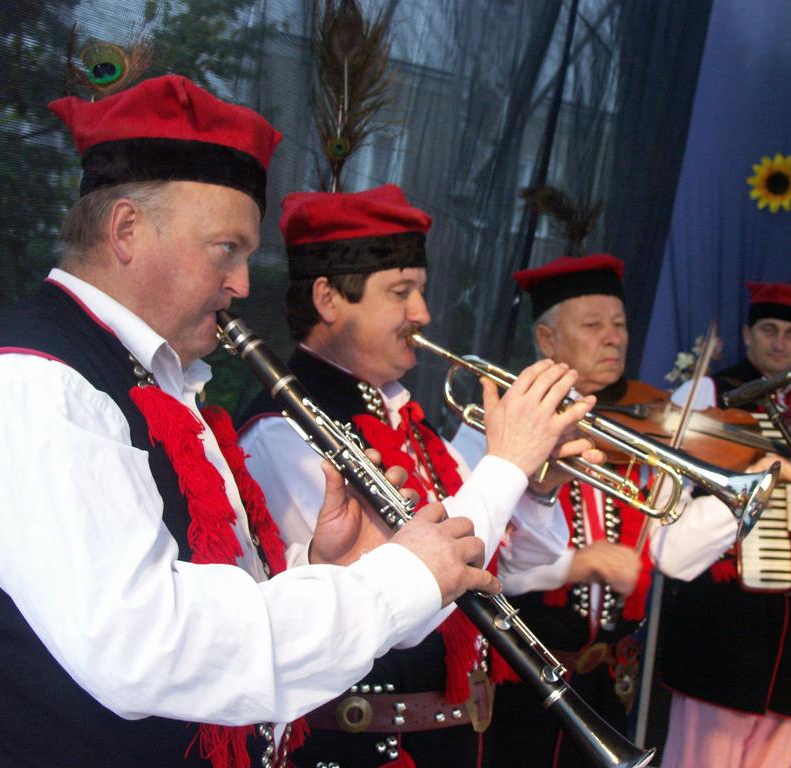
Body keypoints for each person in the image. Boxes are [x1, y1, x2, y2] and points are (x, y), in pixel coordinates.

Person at [0, 75, 503, 768]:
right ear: (127, 230)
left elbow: (198, 593)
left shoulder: (153, 380)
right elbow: (143, 645)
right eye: (226, 248)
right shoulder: (27, 387)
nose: (242, 284)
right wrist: (395, 583)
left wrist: (324, 569)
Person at [237, 185, 600, 767]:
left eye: (421, 292)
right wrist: (508, 463)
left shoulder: (410, 421)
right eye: (401, 292)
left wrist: (537, 485)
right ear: (328, 299)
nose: (423, 314)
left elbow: (520, 570)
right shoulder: (281, 435)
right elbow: (411, 603)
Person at [452, 253, 761, 768]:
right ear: (546, 339)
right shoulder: (499, 418)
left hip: (606, 682)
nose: (614, 338)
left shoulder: (639, 425)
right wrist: (576, 564)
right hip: (519, 677)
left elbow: (672, 552)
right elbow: (470, 547)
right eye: (593, 326)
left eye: (619, 324)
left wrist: (750, 490)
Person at [659, 280, 791, 768]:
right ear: (747, 334)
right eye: (768, 329)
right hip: (720, 616)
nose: (779, 343)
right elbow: (671, 503)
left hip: (790, 631)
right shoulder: (707, 393)